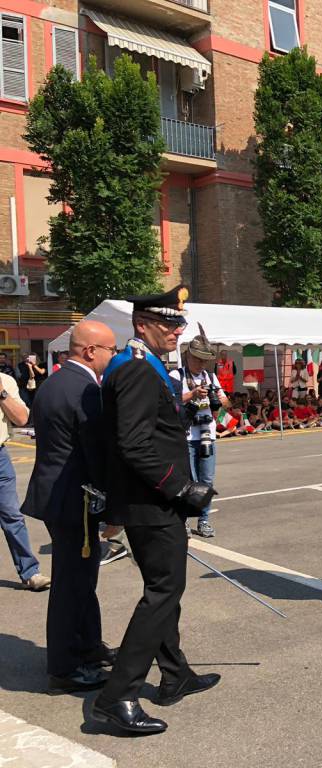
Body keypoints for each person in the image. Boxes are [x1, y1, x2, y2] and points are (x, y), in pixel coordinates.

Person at [91, 286, 218, 736]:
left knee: (163, 591)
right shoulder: (138, 370)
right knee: (163, 593)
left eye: (179, 323)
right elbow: (135, 445)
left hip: (149, 500)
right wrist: (184, 487)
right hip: (153, 502)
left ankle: (174, 673)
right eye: (170, 323)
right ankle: (118, 695)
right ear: (142, 324)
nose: (178, 331)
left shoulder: (138, 365)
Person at [22, 320, 117, 693]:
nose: (114, 355)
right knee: (71, 584)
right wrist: (113, 510)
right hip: (73, 499)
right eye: (111, 349)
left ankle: (88, 646)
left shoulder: (56, 382)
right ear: (90, 351)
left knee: (82, 579)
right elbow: (94, 454)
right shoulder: (83, 389)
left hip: (59, 495)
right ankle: (64, 667)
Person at [0, 353, 49, 591]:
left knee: (12, 516)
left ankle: (30, 572)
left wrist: (1, 393)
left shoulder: (5, 382)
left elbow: (21, 419)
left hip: (0, 458)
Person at [169, 328, 222, 538]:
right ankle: (182, 521)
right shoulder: (176, 375)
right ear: (188, 356)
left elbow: (223, 403)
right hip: (187, 435)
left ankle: (204, 520)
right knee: (187, 481)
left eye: (204, 361)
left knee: (207, 481)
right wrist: (192, 394)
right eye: (198, 360)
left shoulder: (210, 376)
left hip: (207, 433)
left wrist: (217, 396)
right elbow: (170, 402)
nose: (201, 364)